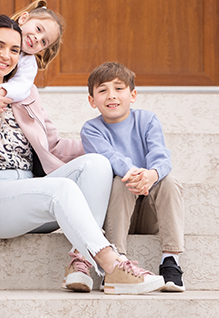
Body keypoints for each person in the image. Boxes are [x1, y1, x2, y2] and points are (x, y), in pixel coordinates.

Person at [0, 15, 165, 295]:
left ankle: (80, 262)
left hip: (33, 192)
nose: (6, 56)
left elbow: (54, 146)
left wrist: (110, 148)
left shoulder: (26, 94)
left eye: (14, 50)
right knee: (60, 188)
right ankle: (112, 264)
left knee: (97, 163)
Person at [80, 61, 186, 292]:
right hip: (117, 212)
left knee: (168, 181)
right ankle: (117, 261)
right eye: (102, 90)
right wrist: (133, 173)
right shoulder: (91, 129)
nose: (111, 96)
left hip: (149, 210)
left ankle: (171, 260)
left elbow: (161, 155)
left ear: (133, 94)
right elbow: (110, 157)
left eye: (119, 88)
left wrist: (151, 175)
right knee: (120, 181)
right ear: (92, 100)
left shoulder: (147, 120)